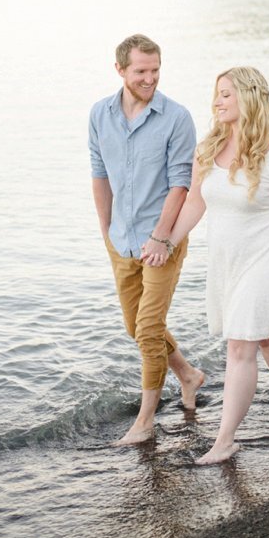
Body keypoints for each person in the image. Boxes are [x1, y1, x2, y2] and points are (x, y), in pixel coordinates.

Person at [156, 66, 269, 465]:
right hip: (229, 262)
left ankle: (224, 440)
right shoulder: (208, 148)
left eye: (225, 94)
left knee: (240, 345)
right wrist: (168, 241)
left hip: (268, 258)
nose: (217, 102)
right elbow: (196, 204)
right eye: (216, 94)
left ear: (248, 97)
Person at [88, 33, 206, 446]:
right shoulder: (99, 114)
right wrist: (106, 233)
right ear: (120, 69)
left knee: (149, 329)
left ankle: (145, 421)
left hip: (164, 240)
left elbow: (180, 185)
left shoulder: (177, 118)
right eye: (141, 71)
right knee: (134, 327)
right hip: (121, 240)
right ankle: (188, 374)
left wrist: (161, 238)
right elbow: (99, 175)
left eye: (155, 70)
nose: (149, 78)